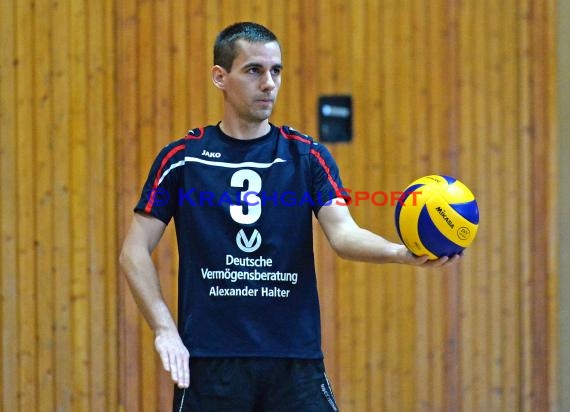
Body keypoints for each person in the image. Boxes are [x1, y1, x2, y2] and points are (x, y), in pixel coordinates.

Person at [119, 21, 459, 412]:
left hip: (294, 363)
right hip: (212, 365)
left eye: (275, 71)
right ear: (220, 76)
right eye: (254, 70)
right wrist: (164, 329)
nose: (269, 83)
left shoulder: (306, 156)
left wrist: (401, 253)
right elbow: (133, 251)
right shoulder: (182, 159)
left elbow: (344, 235)